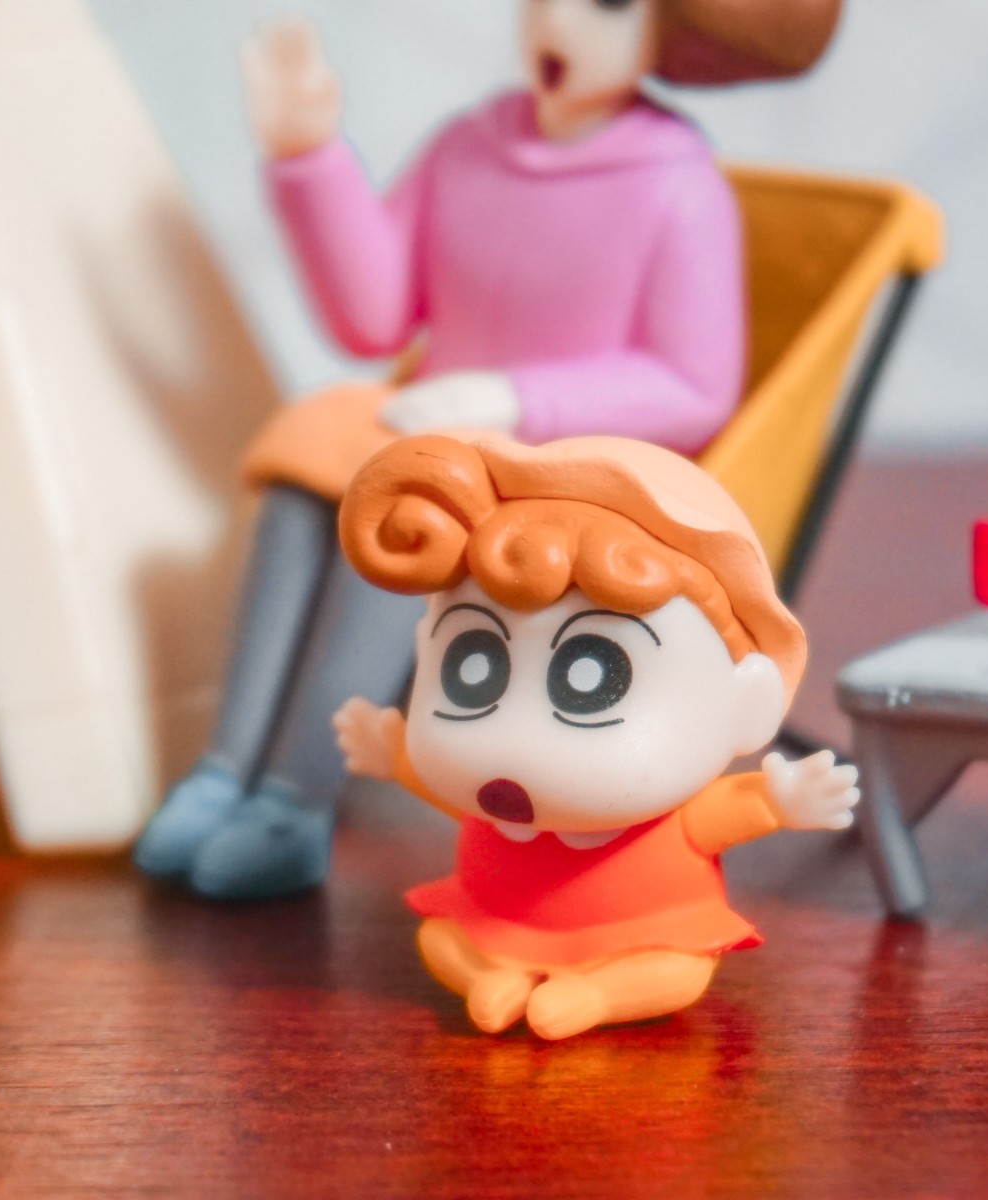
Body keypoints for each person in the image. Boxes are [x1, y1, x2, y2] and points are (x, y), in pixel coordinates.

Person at [134, 0, 843, 899]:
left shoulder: (678, 187)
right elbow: (375, 316)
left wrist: (515, 397)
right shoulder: (468, 147)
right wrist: (309, 158)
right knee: (306, 460)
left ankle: (294, 798)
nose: (558, 22)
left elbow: (691, 386)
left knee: (408, 512)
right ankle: (224, 768)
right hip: (435, 421)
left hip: (571, 470)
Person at [330, 434, 859, 1039]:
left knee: (679, 970)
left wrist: (785, 801)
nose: (515, 740)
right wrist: (394, 754)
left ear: (748, 704)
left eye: (595, 679)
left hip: (639, 934)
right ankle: (485, 980)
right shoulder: (484, 798)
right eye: (472, 666)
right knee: (439, 937)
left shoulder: (668, 817)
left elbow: (736, 807)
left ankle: (596, 996)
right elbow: (432, 784)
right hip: (497, 920)